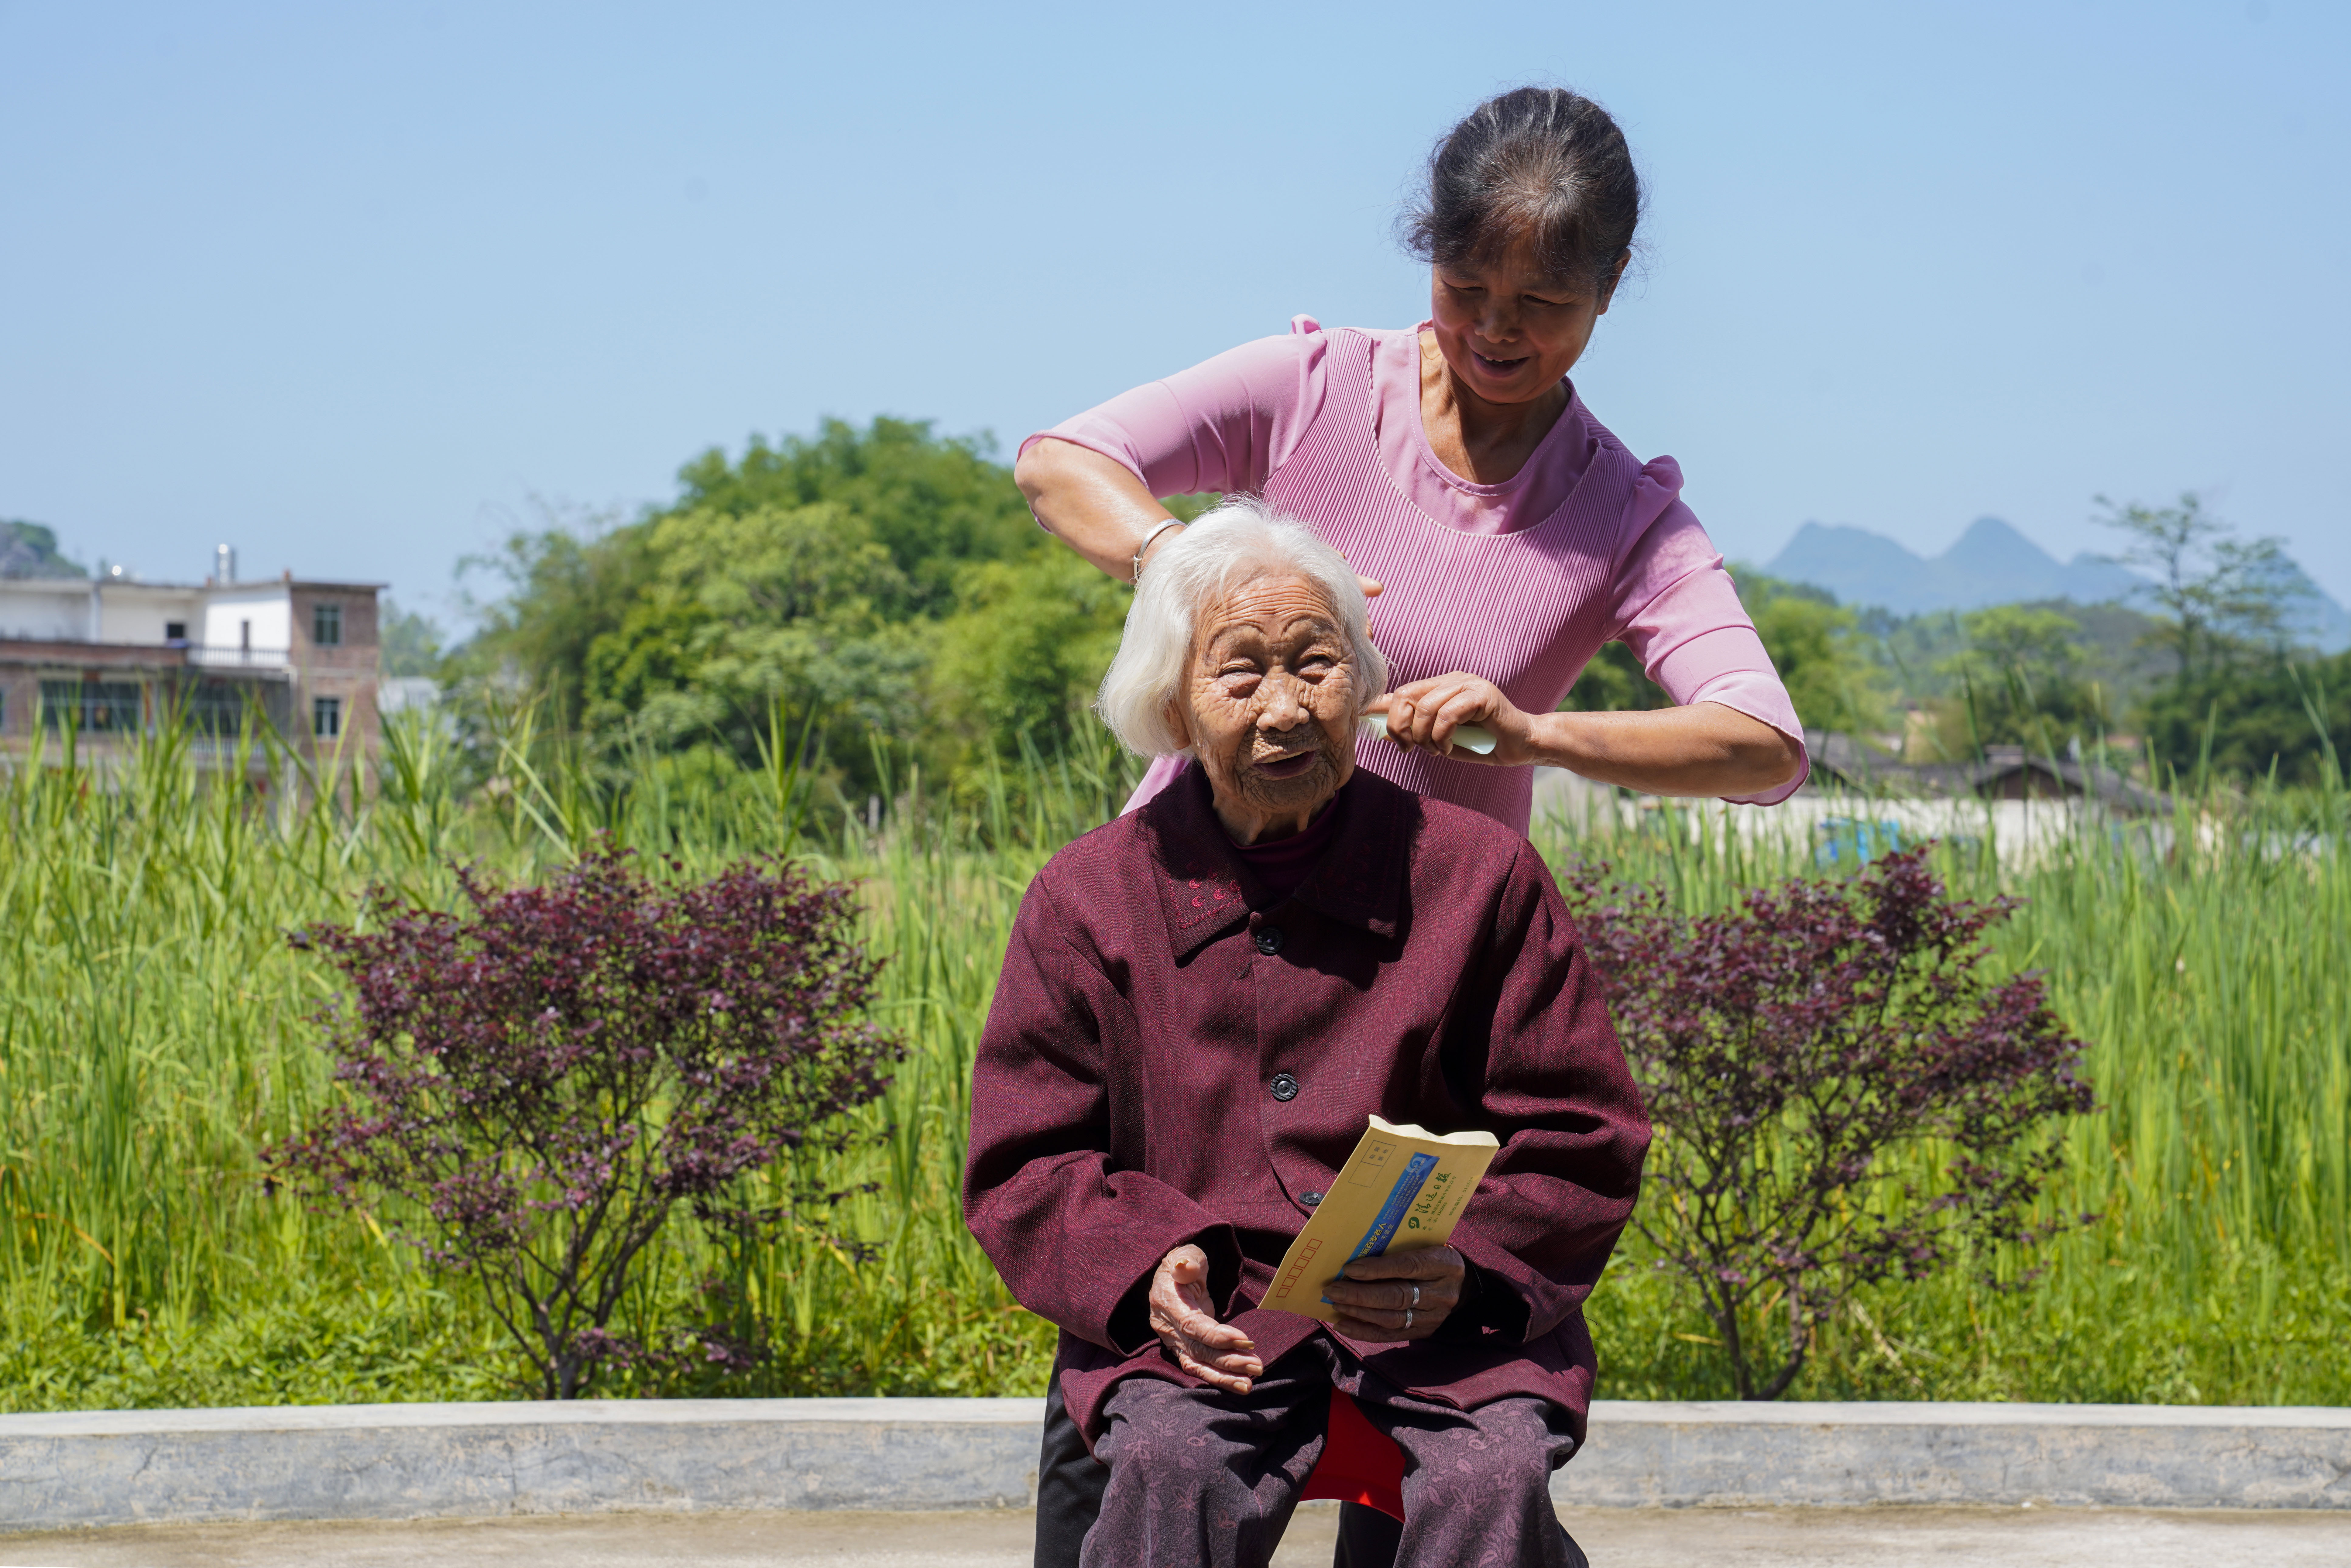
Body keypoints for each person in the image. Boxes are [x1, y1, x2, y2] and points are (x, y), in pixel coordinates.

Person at [1011, 85, 1809, 1564]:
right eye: (1467, 288)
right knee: (1160, 1393)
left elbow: (1763, 743)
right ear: (1423, 256)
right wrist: (1223, 569)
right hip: (1209, 913)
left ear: (1612, 294)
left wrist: (1532, 729)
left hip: (1421, 961)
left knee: (1449, 1414)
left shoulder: (1622, 511)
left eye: (1547, 303)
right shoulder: (1315, 386)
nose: (1499, 327)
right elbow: (1062, 459)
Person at [964, 503, 1650, 1568]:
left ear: (1360, 679)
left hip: (1441, 1323)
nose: (1286, 709)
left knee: (1487, 1477)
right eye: (1240, 675)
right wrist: (1148, 1262)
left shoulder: (1478, 875)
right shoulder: (1087, 897)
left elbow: (1580, 1130)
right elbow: (1027, 1160)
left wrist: (1463, 1268)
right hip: (1210, 1333)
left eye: (1317, 664)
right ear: (1174, 706)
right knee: (1172, 1472)